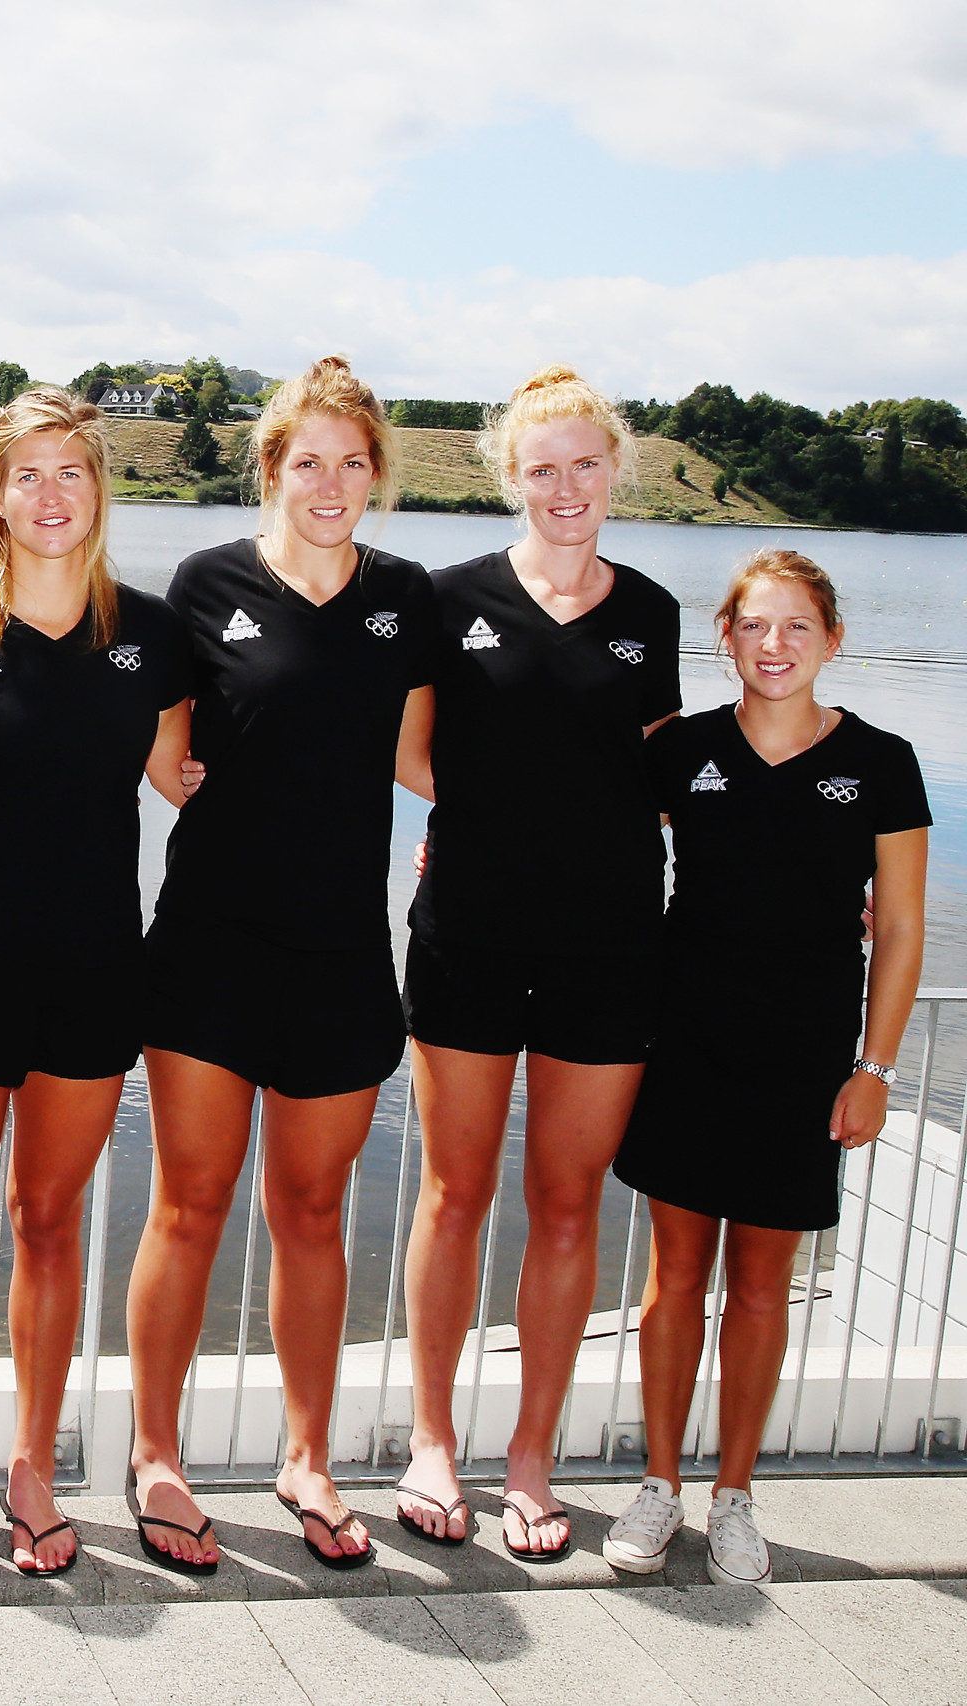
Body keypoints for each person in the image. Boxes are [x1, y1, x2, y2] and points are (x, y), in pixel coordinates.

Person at [0, 388, 190, 1576]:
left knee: (49, 1222)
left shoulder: (149, 634)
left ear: (99, 489)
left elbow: (186, 773)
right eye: (27, 473)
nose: (50, 494)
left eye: (72, 471)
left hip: (97, 968)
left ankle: (29, 1466)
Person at [123, 356, 432, 1573]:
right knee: (189, 1202)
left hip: (341, 955)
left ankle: (307, 1456)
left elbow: (426, 762)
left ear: (376, 475)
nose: (330, 482)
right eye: (308, 460)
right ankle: (156, 1454)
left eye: (352, 462)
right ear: (272, 468)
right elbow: (165, 751)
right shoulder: (205, 584)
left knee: (310, 1212)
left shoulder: (402, 599)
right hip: (208, 949)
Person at [389, 366, 683, 1558]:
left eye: (585, 465)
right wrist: (491, 824)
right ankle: (430, 1439)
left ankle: (528, 1456)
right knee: (454, 1191)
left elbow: (662, 779)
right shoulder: (446, 597)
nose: (566, 488)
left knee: (567, 1201)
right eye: (543, 467)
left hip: (607, 945)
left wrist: (824, 871)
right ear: (510, 476)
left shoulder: (651, 611)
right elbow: (410, 754)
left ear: (615, 470)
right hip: (467, 931)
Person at [603, 551, 927, 1586]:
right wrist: (457, 844)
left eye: (796, 626)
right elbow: (587, 832)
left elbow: (902, 927)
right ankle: (658, 1483)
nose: (774, 645)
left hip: (802, 1058)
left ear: (832, 639)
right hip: (684, 1044)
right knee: (674, 1279)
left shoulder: (882, 761)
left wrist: (874, 1067)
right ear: (726, 639)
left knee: (758, 1284)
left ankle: (734, 1494)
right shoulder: (682, 751)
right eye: (754, 626)